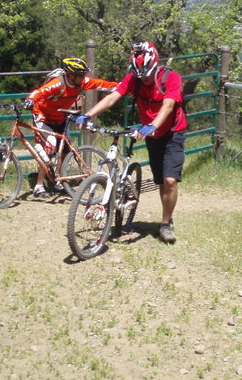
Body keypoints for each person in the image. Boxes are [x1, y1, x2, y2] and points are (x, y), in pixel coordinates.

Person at [75, 41, 186, 244]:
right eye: (139, 76)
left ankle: (165, 223)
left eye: (146, 75)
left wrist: (152, 125)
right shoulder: (133, 79)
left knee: (170, 181)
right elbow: (112, 98)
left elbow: (168, 106)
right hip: (151, 134)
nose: (143, 80)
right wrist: (88, 115)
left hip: (172, 133)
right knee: (161, 180)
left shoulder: (171, 78)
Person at [23, 57, 118, 198]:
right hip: (43, 117)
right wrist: (29, 100)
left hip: (61, 117)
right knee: (48, 149)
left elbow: (100, 84)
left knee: (65, 151)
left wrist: (121, 86)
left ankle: (58, 181)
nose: (83, 78)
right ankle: (39, 185)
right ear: (71, 75)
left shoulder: (81, 82)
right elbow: (39, 92)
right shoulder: (57, 84)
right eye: (80, 75)